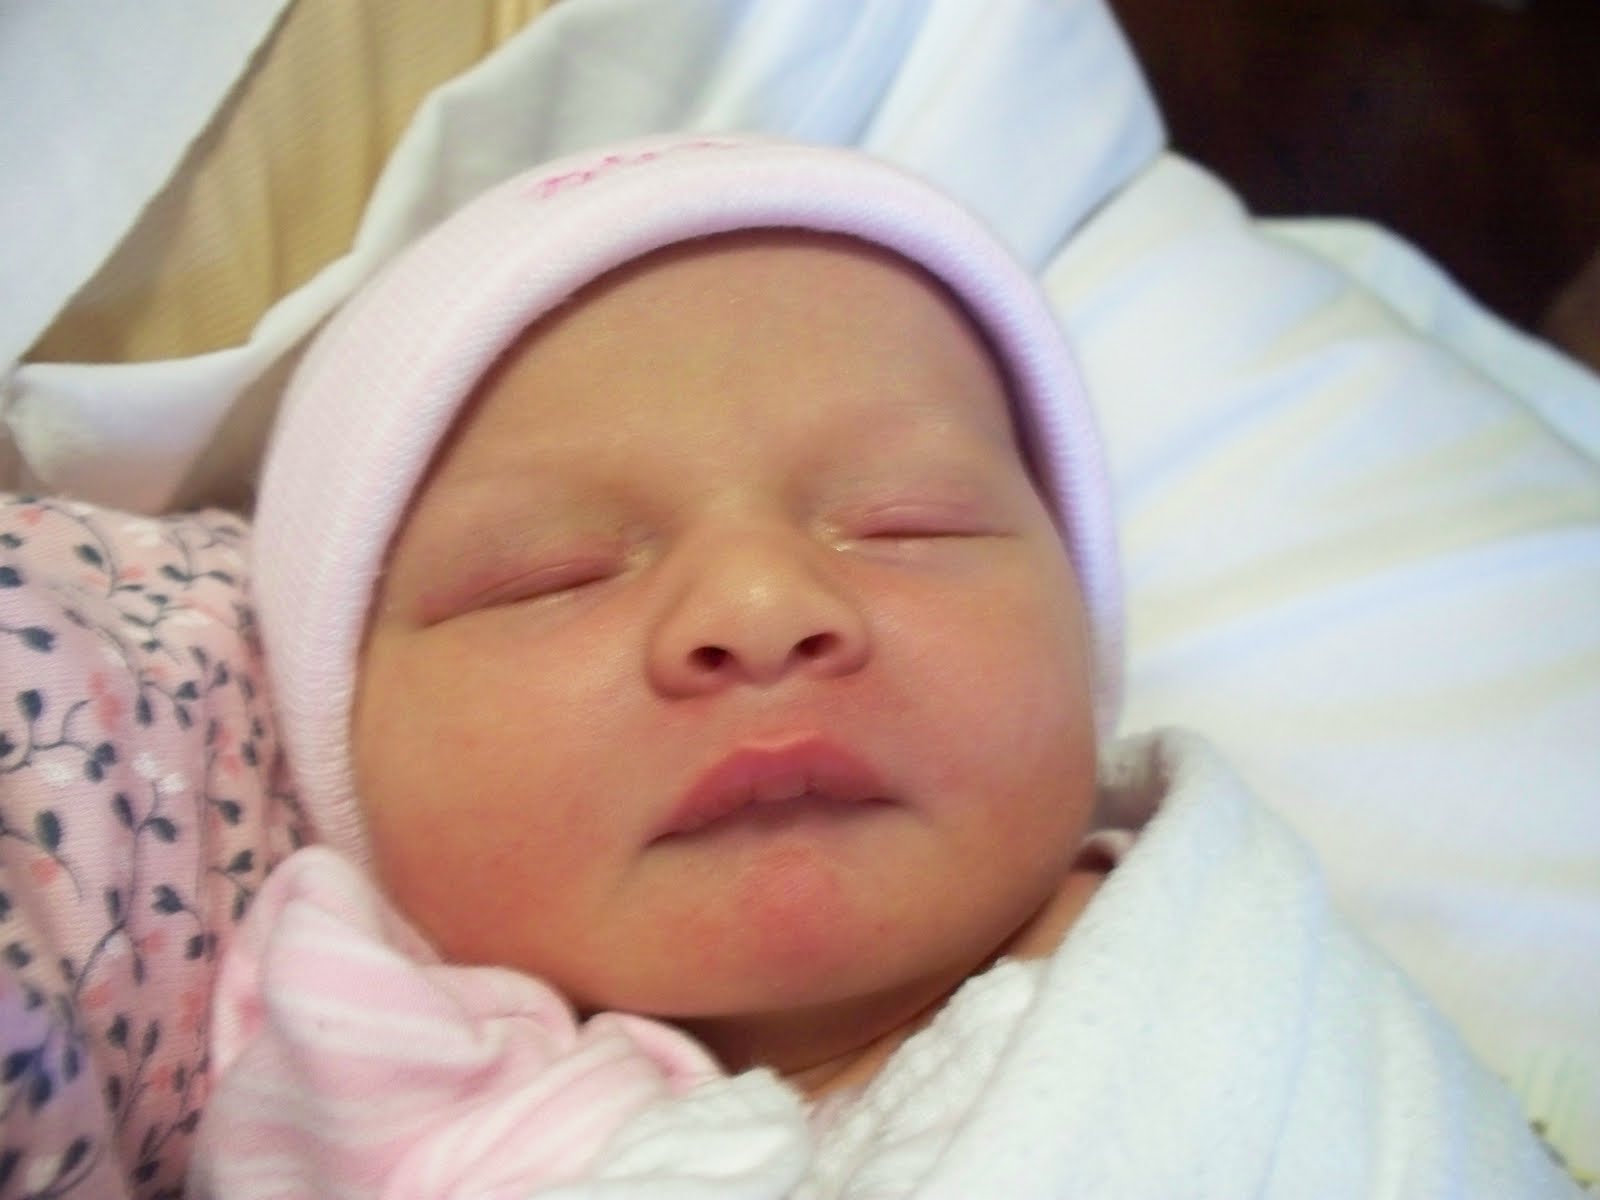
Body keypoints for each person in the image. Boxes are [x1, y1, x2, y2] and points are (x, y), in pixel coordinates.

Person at [190, 136, 1579, 1197]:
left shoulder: (1244, 958)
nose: (760, 607)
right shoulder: (405, 1092)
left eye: (909, 522)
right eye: (553, 574)